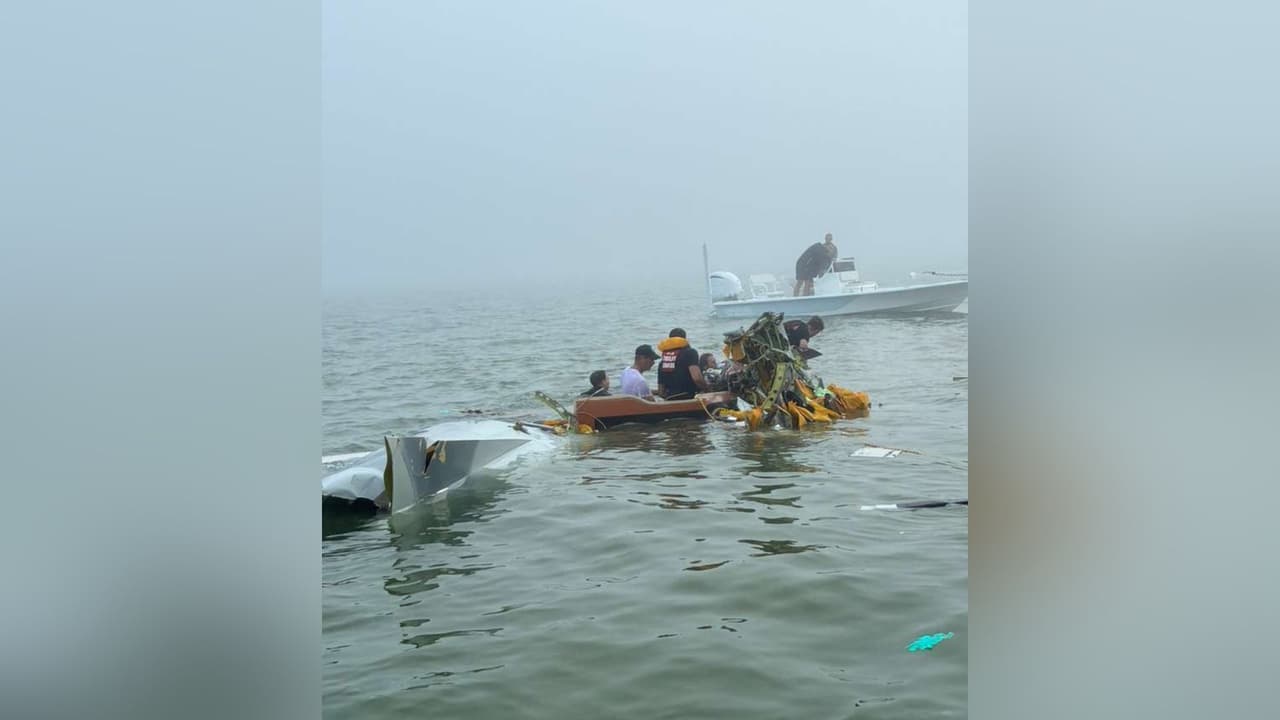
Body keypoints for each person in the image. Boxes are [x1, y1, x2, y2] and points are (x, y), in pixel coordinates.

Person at [656, 328, 708, 400]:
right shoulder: (690, 353)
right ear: (684, 339)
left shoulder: (664, 361)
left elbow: (661, 391)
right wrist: (707, 389)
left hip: (669, 400)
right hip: (688, 398)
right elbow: (697, 378)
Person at [793, 232, 838, 296]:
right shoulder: (819, 248)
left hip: (811, 267)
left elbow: (832, 261)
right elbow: (819, 261)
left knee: (808, 283)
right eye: (827, 238)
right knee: (801, 281)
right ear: (825, 238)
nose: (828, 240)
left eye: (830, 238)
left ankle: (806, 297)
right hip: (804, 265)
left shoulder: (833, 248)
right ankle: (796, 297)